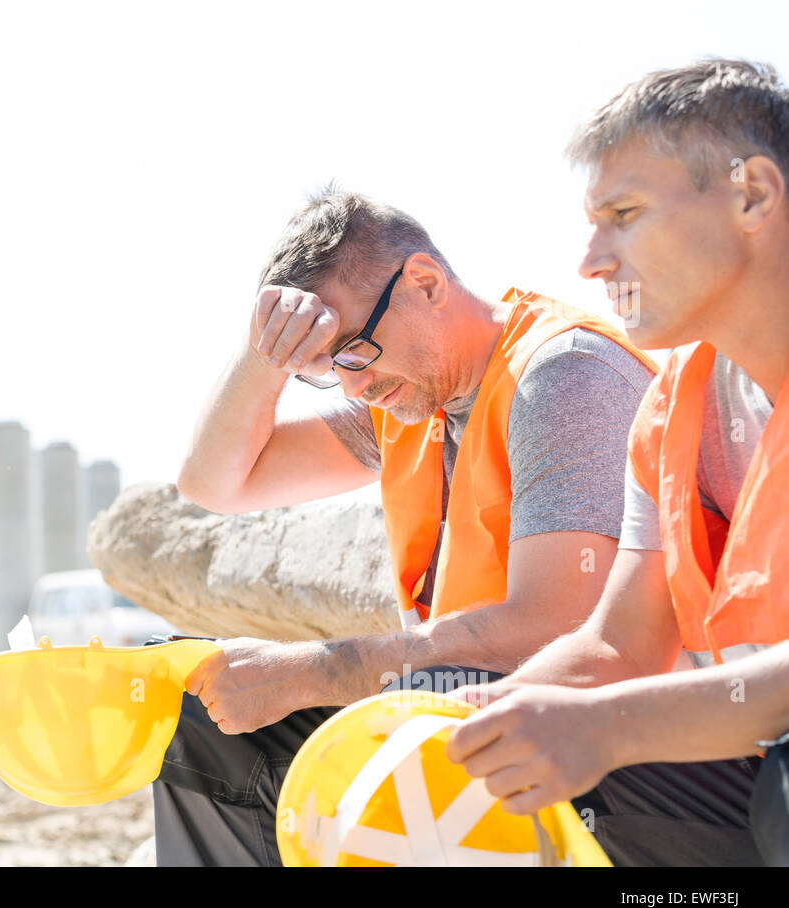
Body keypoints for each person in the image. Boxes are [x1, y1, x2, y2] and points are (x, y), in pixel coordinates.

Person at [157, 185, 657, 865]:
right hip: (467, 703)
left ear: (423, 282)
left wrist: (318, 671)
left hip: (612, 742)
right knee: (203, 714)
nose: (355, 386)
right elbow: (213, 483)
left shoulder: (564, 375)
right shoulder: (404, 404)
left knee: (375, 702)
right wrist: (261, 358)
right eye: (327, 369)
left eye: (356, 350)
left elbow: (560, 628)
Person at [445, 58, 789, 867]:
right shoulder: (671, 411)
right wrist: (493, 716)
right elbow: (618, 648)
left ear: (753, 196)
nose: (591, 262)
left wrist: (606, 727)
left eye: (624, 214)